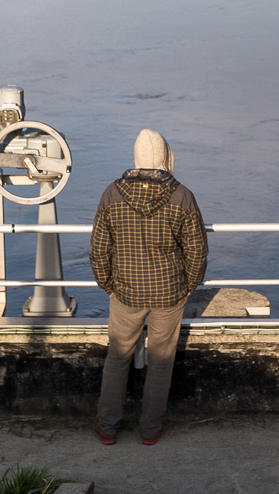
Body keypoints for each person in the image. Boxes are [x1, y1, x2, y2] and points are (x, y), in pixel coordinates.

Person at [89, 128, 208, 445]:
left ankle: (107, 427)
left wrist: (107, 284)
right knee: (161, 362)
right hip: (169, 292)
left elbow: (99, 250)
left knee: (117, 358)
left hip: (125, 291)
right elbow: (196, 250)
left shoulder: (111, 194)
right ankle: (150, 430)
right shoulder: (182, 196)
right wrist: (189, 284)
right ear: (166, 158)